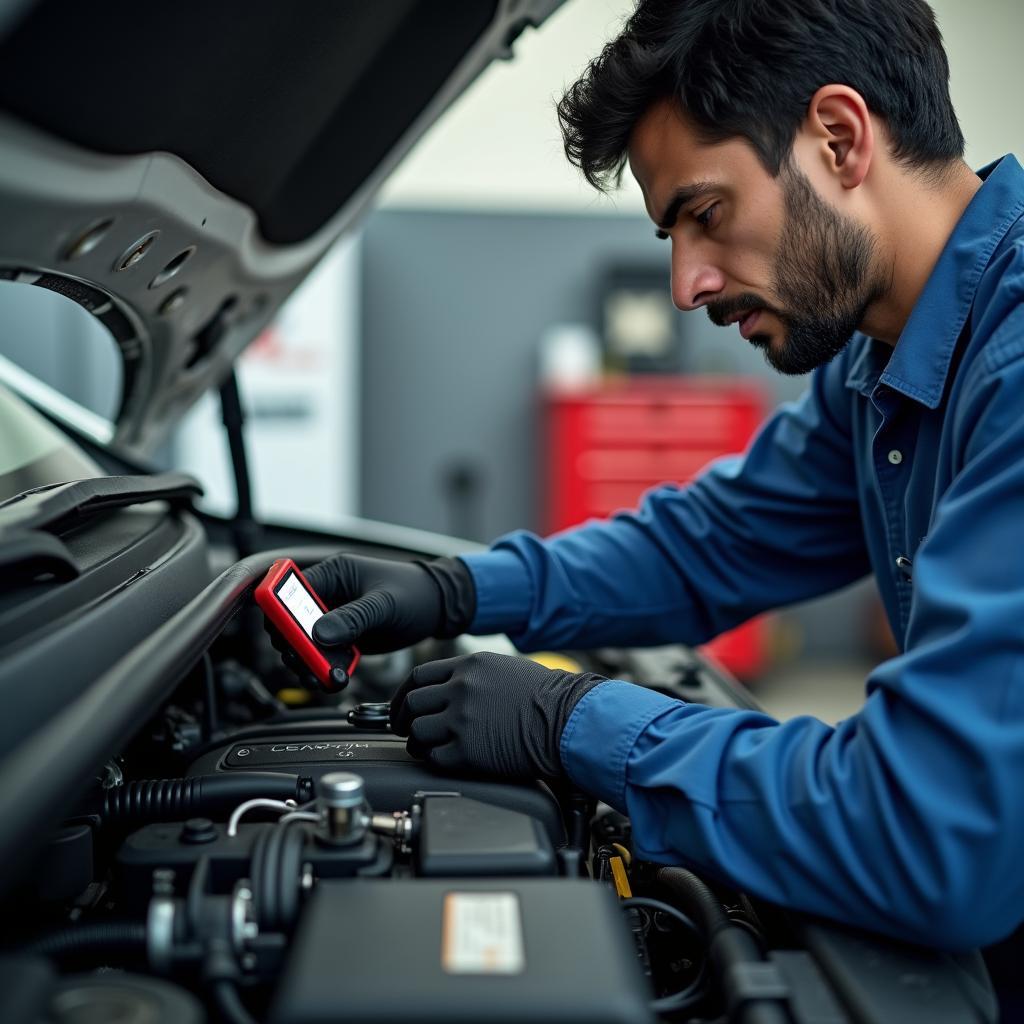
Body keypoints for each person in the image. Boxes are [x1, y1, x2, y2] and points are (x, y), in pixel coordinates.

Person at [298, 0, 1024, 951]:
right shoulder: (881, 357)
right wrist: (457, 589)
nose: (687, 286)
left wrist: (574, 721)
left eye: (707, 214)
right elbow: (713, 543)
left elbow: (931, 837)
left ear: (840, 139)